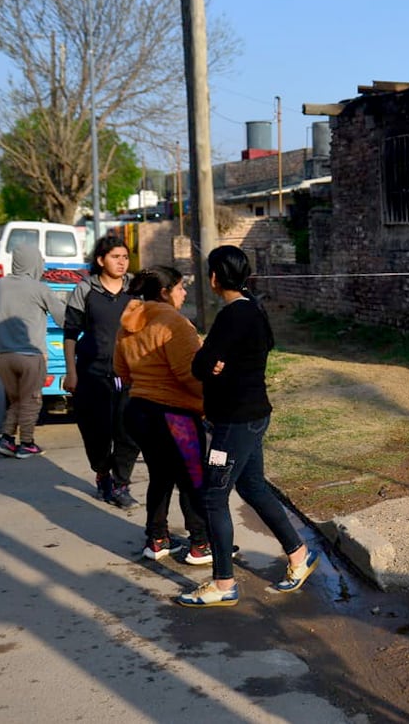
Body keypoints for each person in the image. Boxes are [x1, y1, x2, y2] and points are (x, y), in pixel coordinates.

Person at [177, 245, 317, 608]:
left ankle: (223, 583)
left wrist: (213, 362)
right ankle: (300, 555)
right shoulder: (254, 308)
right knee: (252, 487)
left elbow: (200, 366)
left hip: (235, 422)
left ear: (213, 278)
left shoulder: (232, 316)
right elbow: (225, 360)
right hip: (252, 414)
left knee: (213, 496)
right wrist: (216, 363)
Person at [113, 266, 212, 564]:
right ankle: (201, 544)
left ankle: (156, 539)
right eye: (180, 288)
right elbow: (190, 375)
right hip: (175, 415)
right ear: (165, 292)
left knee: (160, 475)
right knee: (192, 477)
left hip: (139, 410)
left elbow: (121, 371)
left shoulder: (129, 322)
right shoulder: (173, 322)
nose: (184, 293)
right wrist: (211, 402)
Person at [64, 235, 140, 508]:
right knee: (96, 433)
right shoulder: (85, 290)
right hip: (92, 374)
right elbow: (70, 334)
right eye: (115, 257)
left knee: (129, 431)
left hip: (129, 375)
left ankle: (121, 485)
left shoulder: (136, 290)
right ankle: (102, 473)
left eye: (124, 257)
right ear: (100, 260)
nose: (121, 262)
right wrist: (71, 372)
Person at [0, 244, 67, 458]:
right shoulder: (40, 288)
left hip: (3, 356)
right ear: (34, 262)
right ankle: (27, 443)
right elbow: (63, 318)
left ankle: (6, 439)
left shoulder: (2, 284)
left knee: (16, 401)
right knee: (32, 400)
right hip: (30, 356)